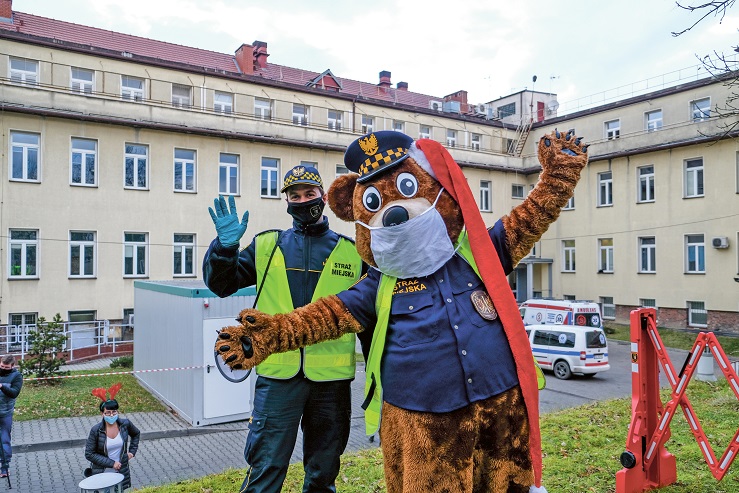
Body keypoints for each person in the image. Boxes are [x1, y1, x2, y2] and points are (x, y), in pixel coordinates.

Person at [203, 164, 366, 493]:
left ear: (323, 197)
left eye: (310, 193)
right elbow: (221, 284)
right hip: (278, 380)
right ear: (287, 203)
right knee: (266, 467)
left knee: (322, 473)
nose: (303, 200)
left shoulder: (352, 251)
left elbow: (369, 316)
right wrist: (224, 249)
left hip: (331, 385)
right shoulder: (267, 246)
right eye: (295, 195)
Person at [85, 384, 140, 491]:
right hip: (103, 472)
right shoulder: (96, 430)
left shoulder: (125, 424)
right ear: (102, 413)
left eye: (114, 412)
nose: (111, 415)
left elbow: (136, 434)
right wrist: (112, 463)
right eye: (108, 413)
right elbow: (89, 454)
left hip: (121, 471)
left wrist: (132, 452)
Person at [0, 355, 22, 478]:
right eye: (1, 366)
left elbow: (14, 393)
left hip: (5, 413)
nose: (3, 369)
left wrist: (2, 387)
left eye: (6, 367)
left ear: (12, 366)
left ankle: (4, 467)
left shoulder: (17, 376)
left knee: (4, 440)